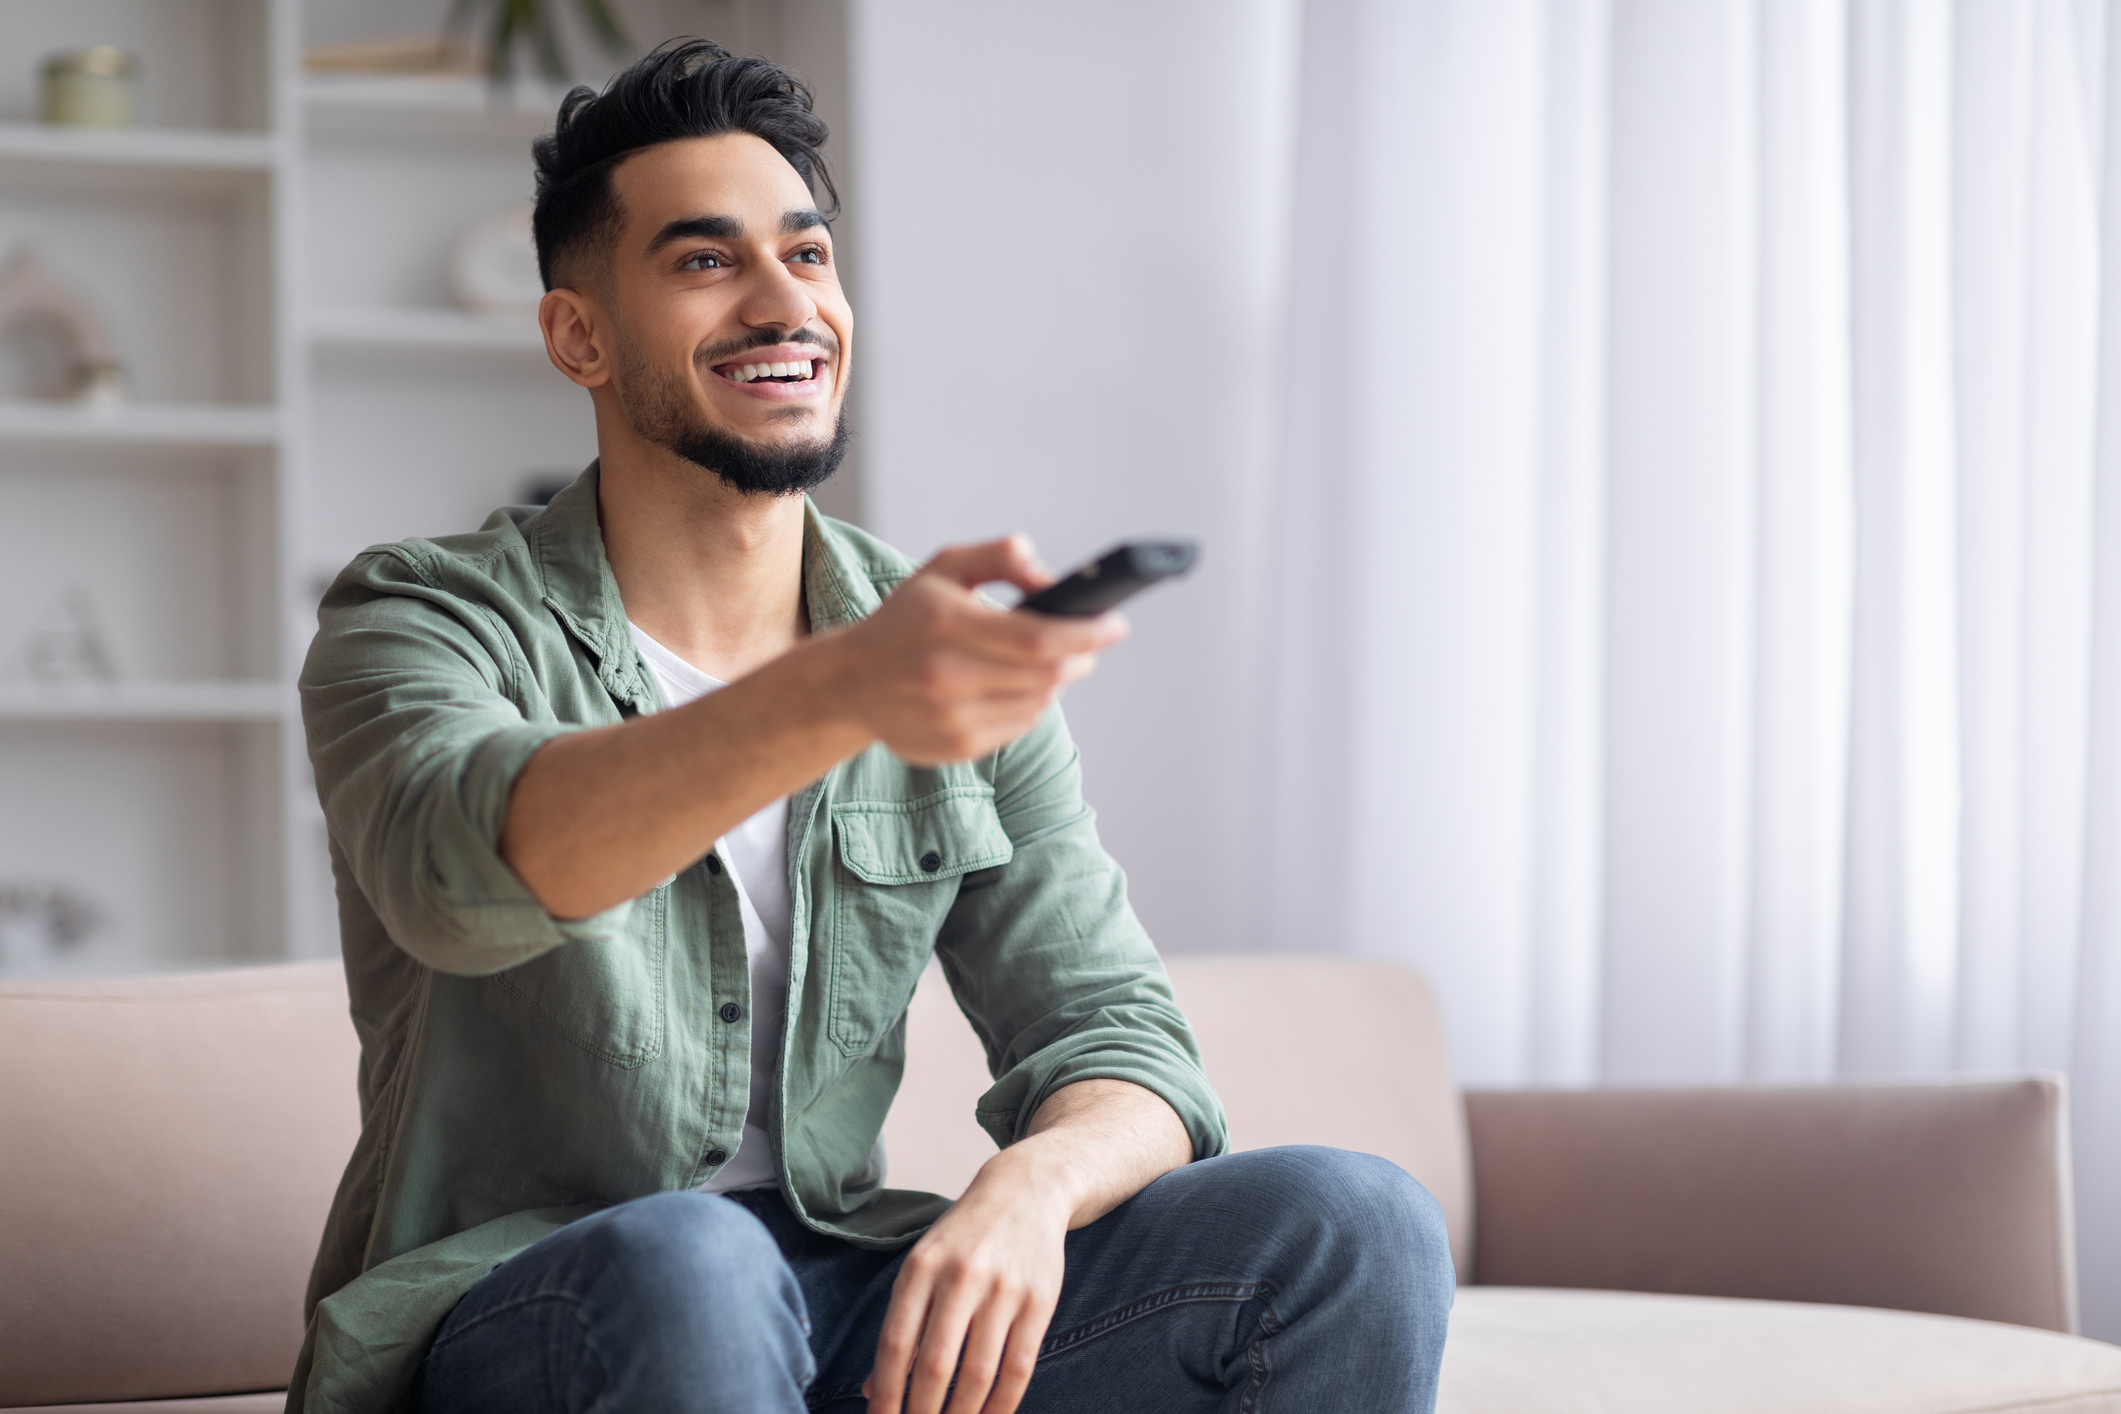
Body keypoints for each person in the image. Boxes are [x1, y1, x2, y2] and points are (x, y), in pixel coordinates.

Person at [290, 38, 1453, 1414]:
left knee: (1348, 1220)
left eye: (808, 254)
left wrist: (1033, 1182)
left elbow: (1123, 1043)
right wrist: (844, 689)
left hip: (827, 1288)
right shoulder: (421, 615)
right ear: (578, 335)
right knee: (693, 1258)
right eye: (705, 261)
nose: (786, 302)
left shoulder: (925, 644)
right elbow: (468, 871)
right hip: (518, 1313)